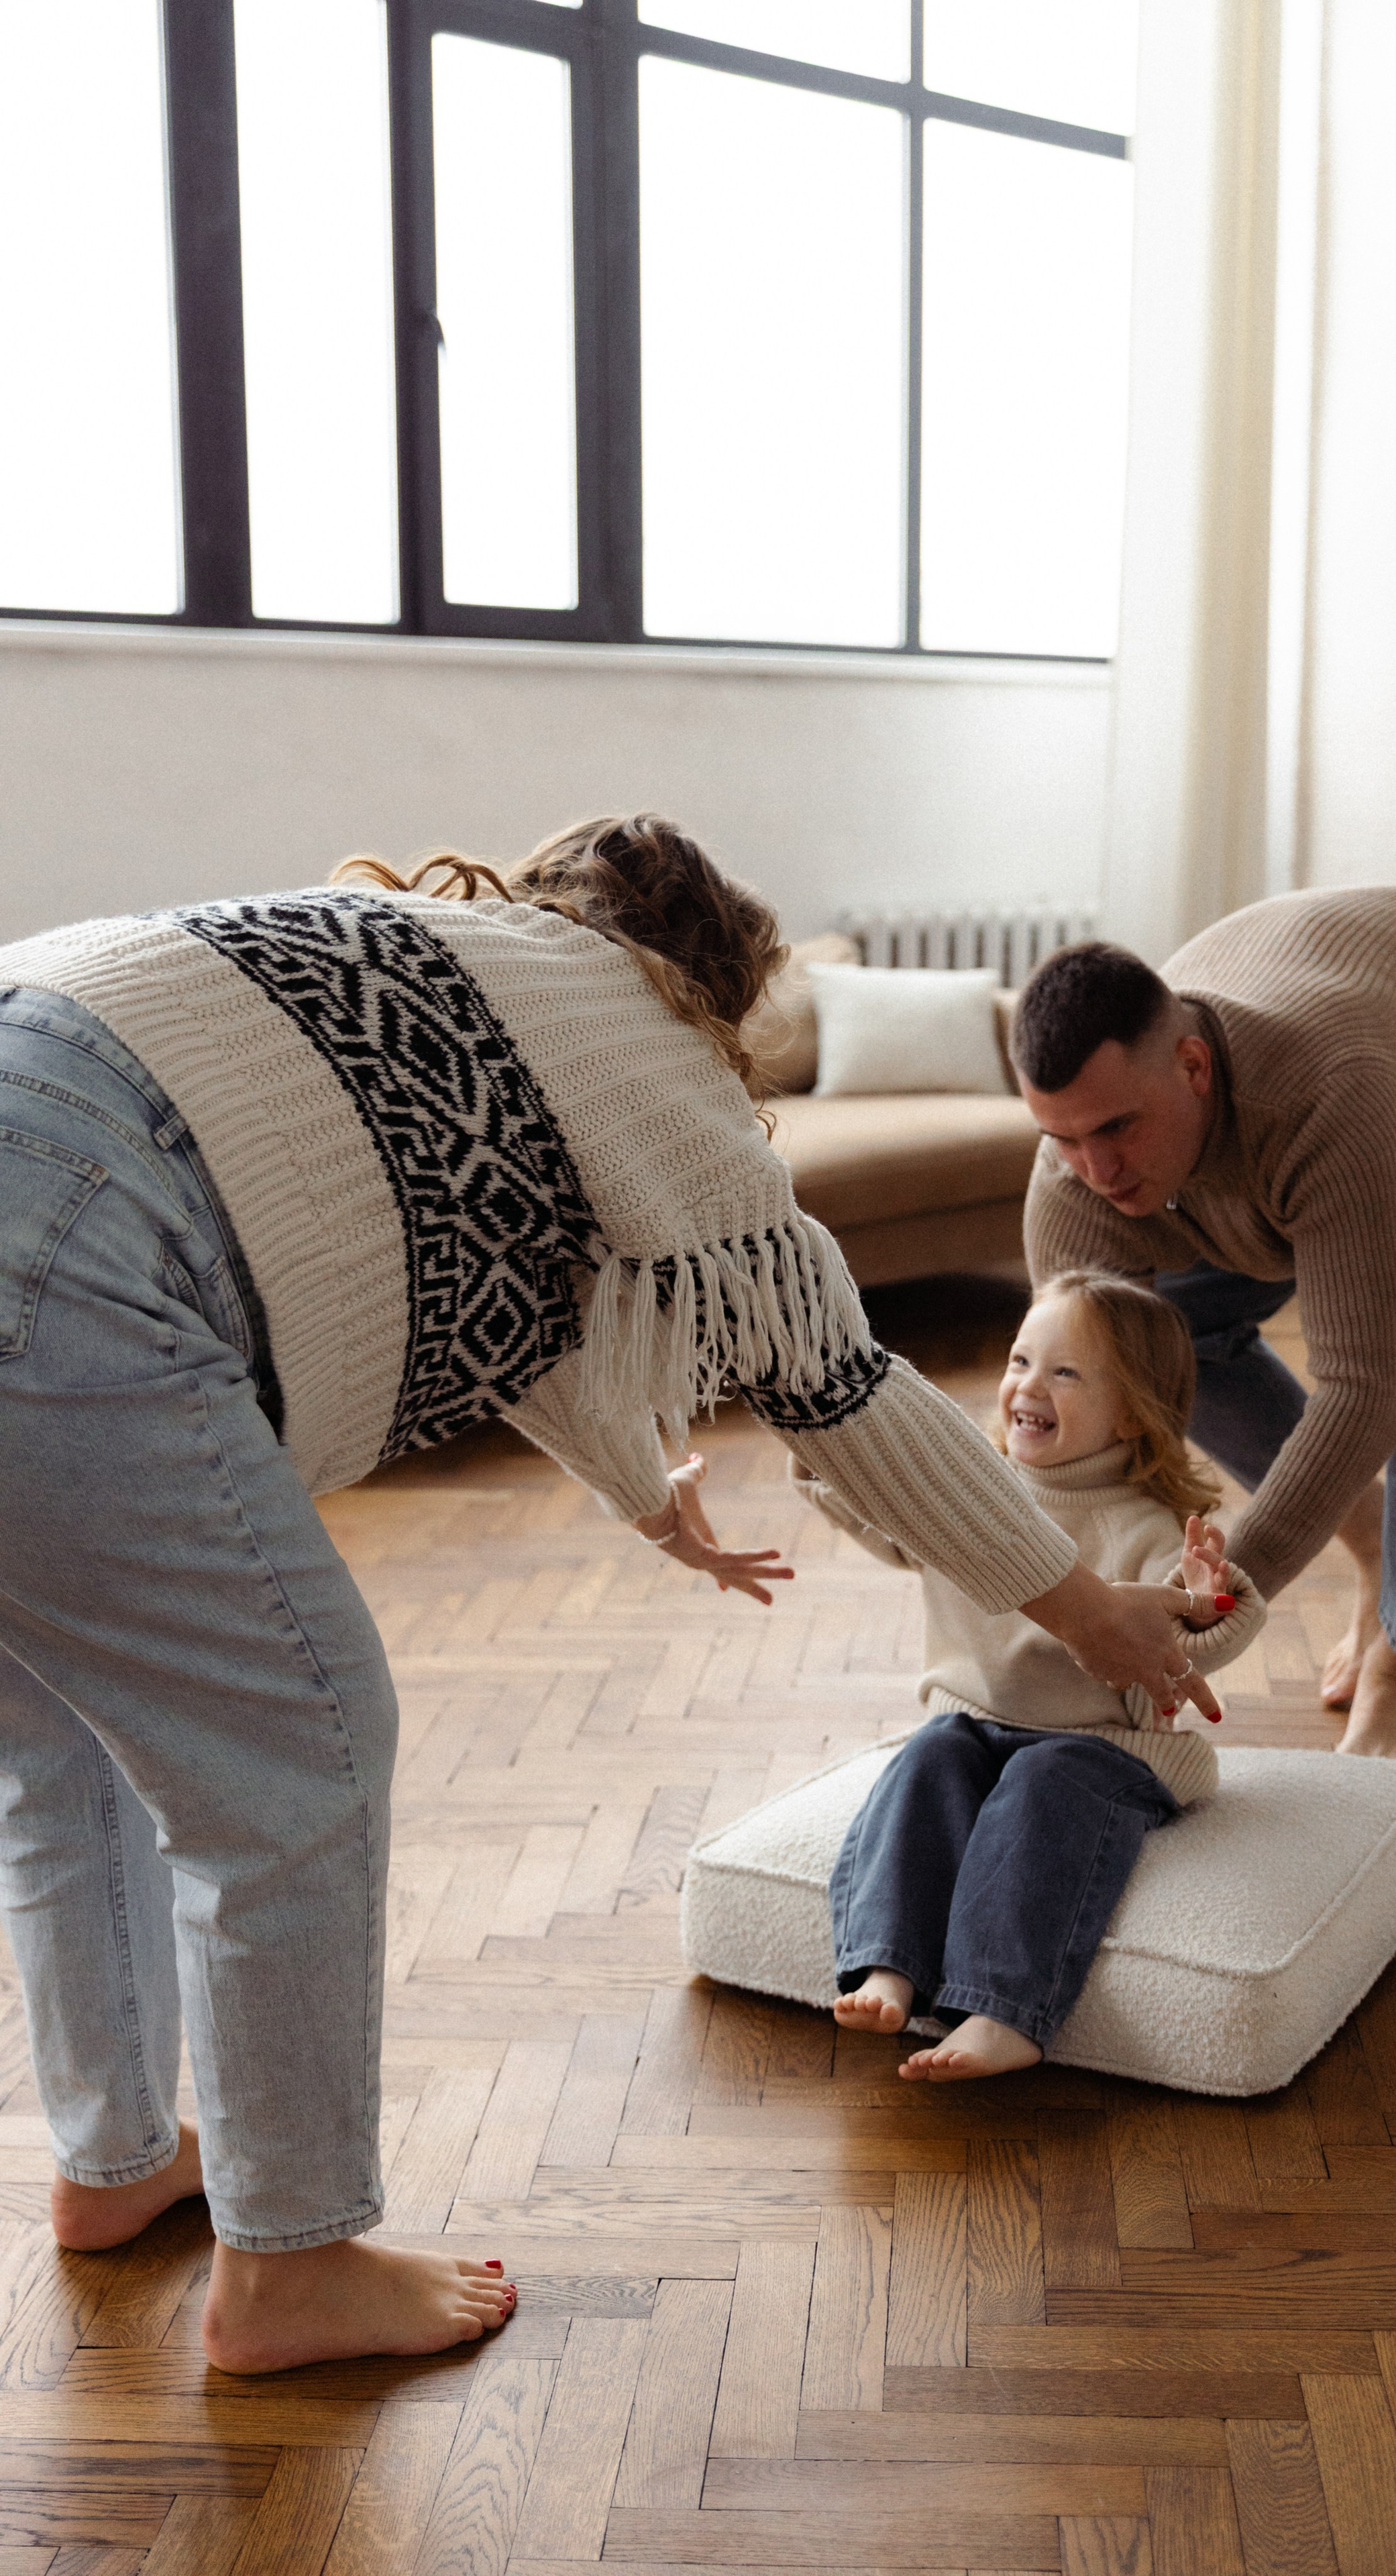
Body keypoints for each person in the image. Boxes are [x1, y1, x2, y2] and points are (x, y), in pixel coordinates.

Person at [0, 815, 1217, 2374]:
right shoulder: (640, 1038)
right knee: (301, 1748)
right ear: (708, 992)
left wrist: (653, 1498)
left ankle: (115, 2161)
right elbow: (849, 1386)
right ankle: (289, 2261)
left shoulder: (454, 967)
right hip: (71, 1237)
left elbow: (511, 1288)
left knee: (64, 1734)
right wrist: (1080, 1600)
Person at [1014, 885, 1396, 1765]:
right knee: (1166, 1340)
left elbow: (1365, 1392)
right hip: (1338, 1091)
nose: (1093, 1169)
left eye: (1116, 1128)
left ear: (1193, 1067)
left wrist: (1214, 1601)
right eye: (1061, 1138)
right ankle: (1376, 1540)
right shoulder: (1076, 1182)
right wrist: (1092, 1606)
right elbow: (1094, 1406)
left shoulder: (1329, 1092)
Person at [794, 1270, 1265, 2080]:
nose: (1025, 1385)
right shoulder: (970, 1501)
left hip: (1097, 1750)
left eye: (1064, 1372)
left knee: (1045, 1780)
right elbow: (877, 1508)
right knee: (927, 1758)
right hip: (975, 1730)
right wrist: (820, 1448)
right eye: (1019, 1359)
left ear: (1130, 1410)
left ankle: (1002, 2011)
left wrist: (1199, 1600)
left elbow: (1204, 1644)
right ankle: (890, 1966)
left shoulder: (1148, 1528)